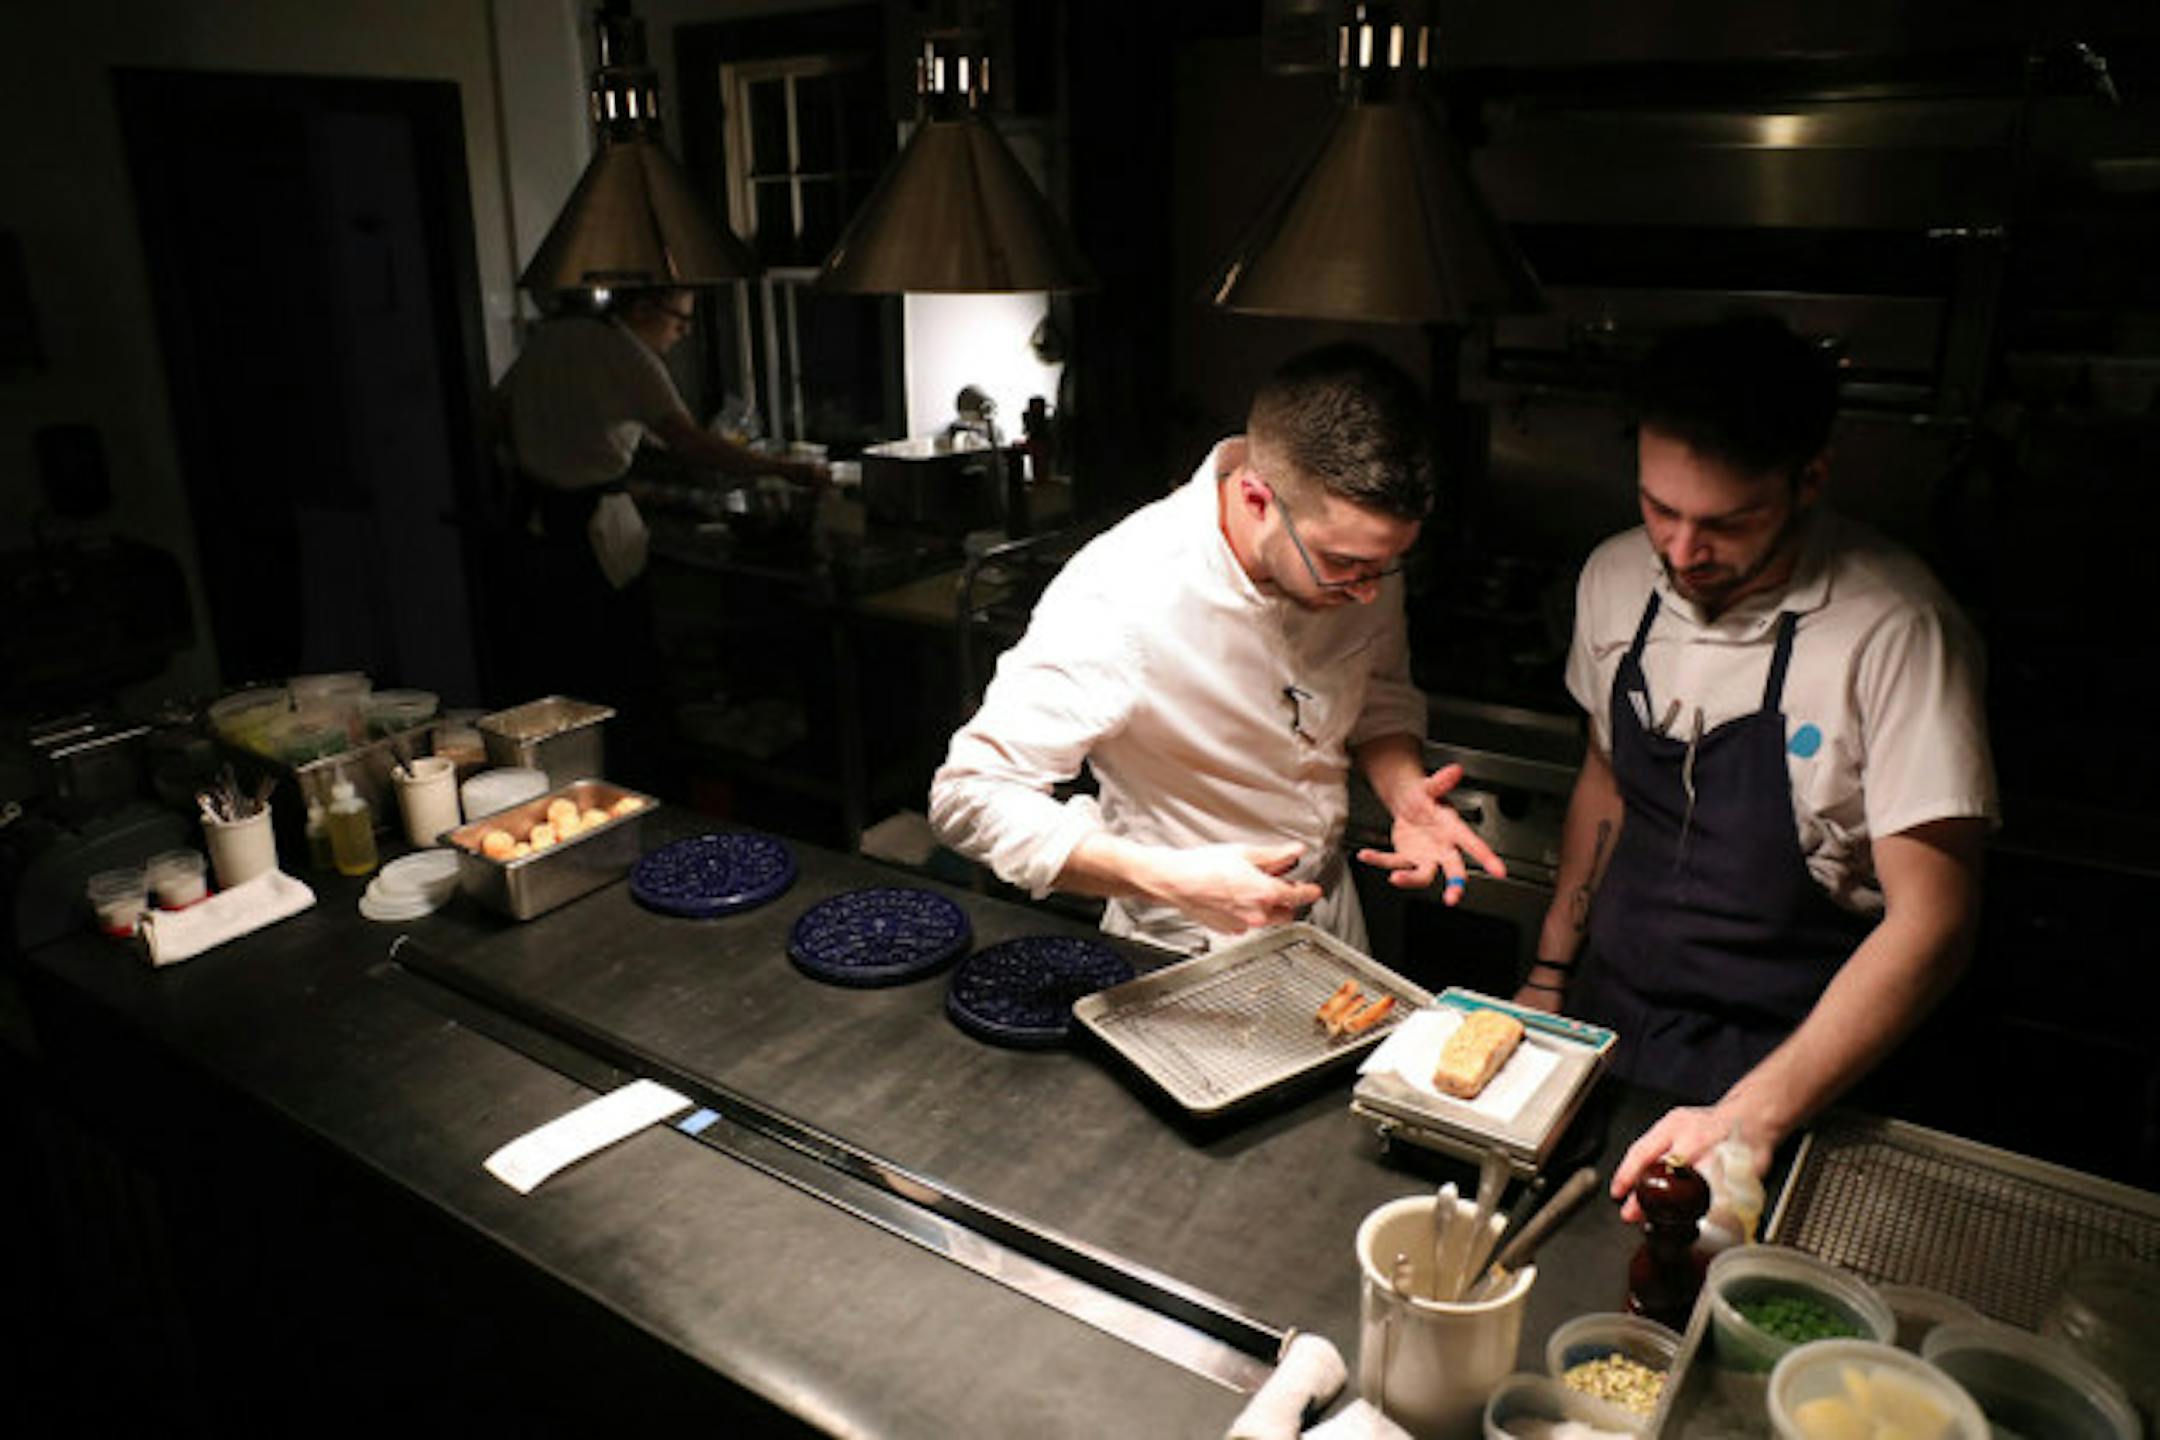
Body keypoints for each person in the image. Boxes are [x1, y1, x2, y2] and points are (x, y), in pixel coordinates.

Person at [1512, 314, 1997, 1215]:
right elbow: (1605, 780)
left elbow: (1937, 920)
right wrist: (1550, 969)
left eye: (1726, 524)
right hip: (1610, 1016)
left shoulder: (1896, 631)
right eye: (1660, 509)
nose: (1682, 553)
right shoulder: (1614, 579)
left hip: (1790, 1061)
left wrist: (1752, 1115)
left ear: (1810, 478)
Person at [929, 343, 1503, 956]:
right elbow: (970, 796)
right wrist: (1171, 880)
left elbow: (1380, 693)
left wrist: (1404, 791)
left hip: (1331, 915)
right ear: (1257, 499)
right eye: (1343, 564)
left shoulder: (1360, 559)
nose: (1367, 591)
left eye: (1384, 566)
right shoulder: (1123, 589)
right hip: (1185, 937)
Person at [492, 287, 824, 749]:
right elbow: (689, 442)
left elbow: (500, 414)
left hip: (537, 521)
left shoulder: (551, 338)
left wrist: (568, 456)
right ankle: (635, 769)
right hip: (595, 533)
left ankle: (571, 766)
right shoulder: (626, 351)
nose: (684, 332)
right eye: (679, 319)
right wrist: (788, 470)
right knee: (621, 666)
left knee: (562, 666)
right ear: (643, 309)